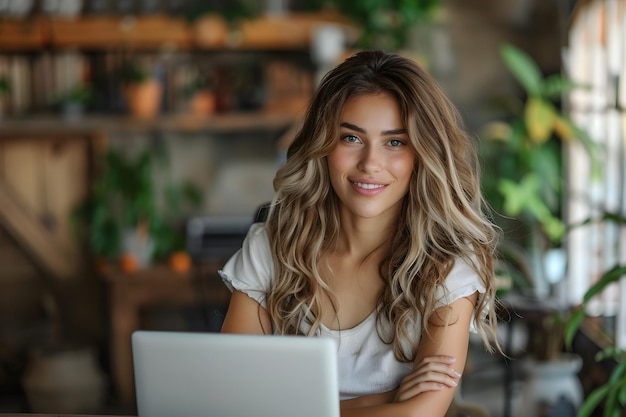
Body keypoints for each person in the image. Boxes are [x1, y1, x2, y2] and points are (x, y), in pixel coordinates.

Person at [218, 50, 501, 417]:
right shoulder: (272, 247)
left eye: (395, 142)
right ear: (323, 144)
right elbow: (230, 395)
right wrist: (387, 399)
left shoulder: (447, 264)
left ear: (423, 154)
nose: (370, 163)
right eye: (351, 138)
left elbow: (421, 413)